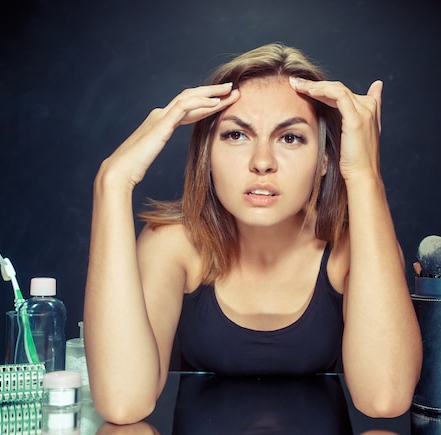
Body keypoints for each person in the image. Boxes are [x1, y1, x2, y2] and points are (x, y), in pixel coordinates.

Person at [84, 43, 422, 425]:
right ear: (207, 151)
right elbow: (123, 402)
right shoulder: (171, 243)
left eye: (290, 138)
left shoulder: (356, 248)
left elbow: (385, 398)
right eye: (236, 136)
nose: (262, 162)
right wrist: (111, 183)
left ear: (326, 158)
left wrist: (364, 176)